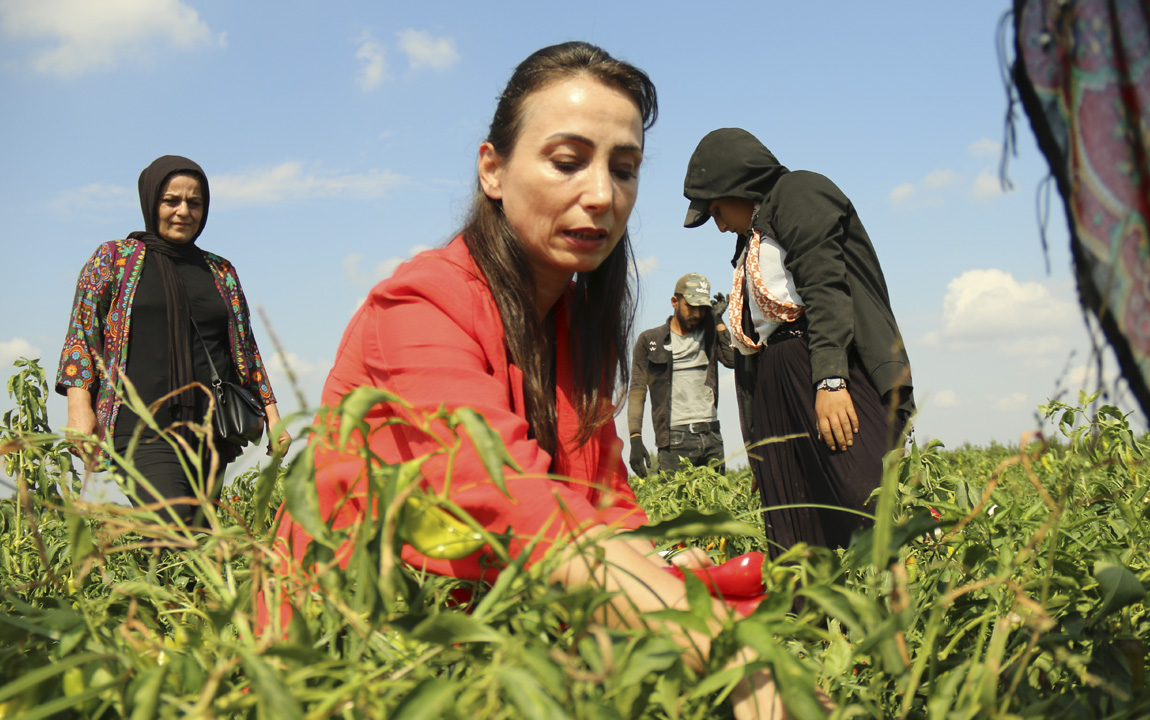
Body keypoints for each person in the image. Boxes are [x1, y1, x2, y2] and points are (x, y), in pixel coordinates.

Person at [270, 44, 787, 718]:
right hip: (353, 649)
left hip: (499, 629)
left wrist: (652, 569)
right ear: (493, 169)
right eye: (567, 162)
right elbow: (508, 496)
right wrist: (697, 632)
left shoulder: (575, 329)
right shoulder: (421, 306)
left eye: (624, 169)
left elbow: (606, 504)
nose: (602, 194)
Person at [682, 128, 914, 559]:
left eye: (717, 209)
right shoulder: (750, 237)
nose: (718, 224)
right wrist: (761, 448)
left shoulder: (798, 192)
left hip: (820, 360)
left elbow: (826, 289)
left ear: (739, 185)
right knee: (793, 522)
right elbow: (758, 338)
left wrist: (829, 381)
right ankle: (808, 623)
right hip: (778, 376)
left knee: (864, 496)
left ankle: (910, 606)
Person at [56, 155, 290, 527]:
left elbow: (245, 348)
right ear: (151, 202)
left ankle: (157, 585)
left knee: (196, 538)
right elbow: (82, 335)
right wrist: (78, 409)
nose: (184, 211)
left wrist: (273, 415)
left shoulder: (220, 271)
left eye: (194, 202)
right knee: (173, 523)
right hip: (139, 427)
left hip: (211, 430)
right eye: (171, 201)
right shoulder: (114, 259)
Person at [627, 272, 734, 477]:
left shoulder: (709, 334)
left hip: (712, 436)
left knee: (716, 507)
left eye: (702, 308)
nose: (697, 313)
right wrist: (635, 437)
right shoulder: (651, 340)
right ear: (675, 302)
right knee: (679, 508)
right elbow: (637, 391)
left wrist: (719, 321)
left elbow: (732, 360)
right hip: (675, 440)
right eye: (691, 306)